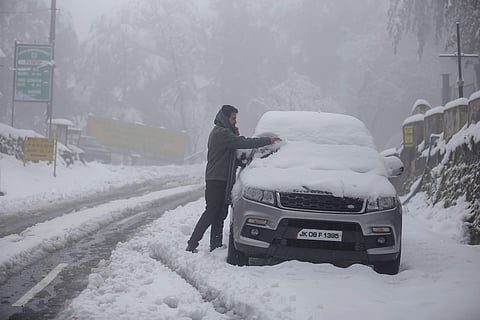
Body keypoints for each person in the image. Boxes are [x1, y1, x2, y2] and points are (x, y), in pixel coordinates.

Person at [186, 105, 281, 253]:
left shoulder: (224, 132)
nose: (235, 121)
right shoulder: (221, 133)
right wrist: (268, 140)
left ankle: (215, 245)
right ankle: (192, 244)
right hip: (216, 180)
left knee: (220, 213)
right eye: (233, 118)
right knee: (211, 212)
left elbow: (235, 153)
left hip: (221, 178)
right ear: (225, 118)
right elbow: (243, 143)